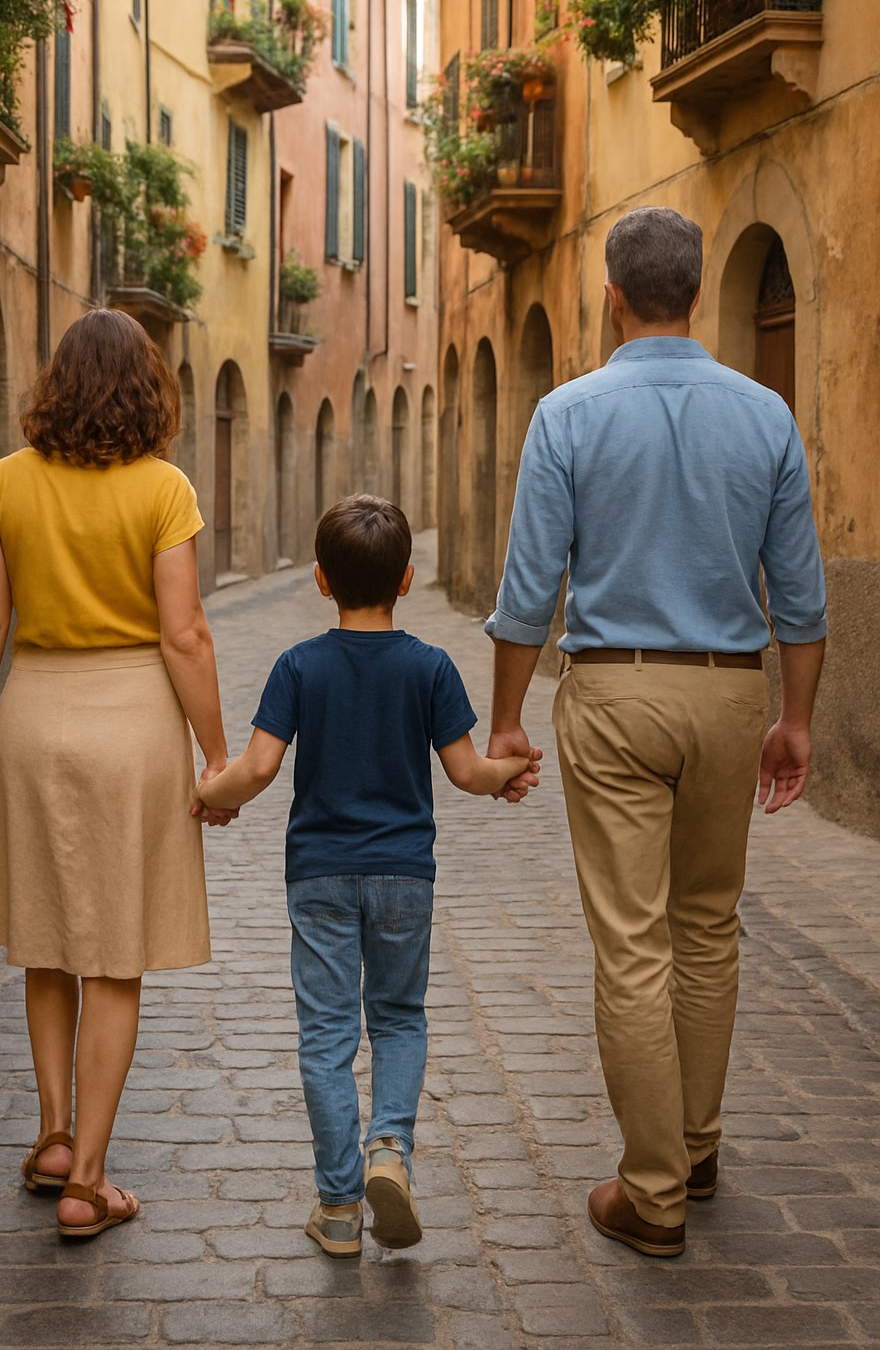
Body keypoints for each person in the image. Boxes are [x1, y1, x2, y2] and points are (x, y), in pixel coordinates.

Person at [485, 207, 827, 1258]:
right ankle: (697, 1141)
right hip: (730, 693)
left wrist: (503, 720)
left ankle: (652, 1193)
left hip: (614, 693)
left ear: (612, 296)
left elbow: (529, 587)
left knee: (632, 943)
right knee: (708, 927)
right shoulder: (765, 413)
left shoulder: (567, 413)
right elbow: (802, 596)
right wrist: (795, 720)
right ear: (693, 292)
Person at [198, 495, 540, 1258]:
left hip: (318, 874)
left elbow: (255, 769)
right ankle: (390, 1146)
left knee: (326, 1034)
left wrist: (205, 793)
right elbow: (466, 772)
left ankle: (340, 1206)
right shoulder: (430, 666)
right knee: (396, 1018)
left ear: (320, 581)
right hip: (402, 877)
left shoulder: (298, 665)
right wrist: (510, 772)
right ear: (409, 578)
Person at [0, 308, 232, 1241]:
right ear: (147, 388)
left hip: (33, 714)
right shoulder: (164, 489)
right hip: (133, 727)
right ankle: (93, 1180)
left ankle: (53, 1137)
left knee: (45, 936)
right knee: (115, 950)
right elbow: (184, 633)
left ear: (54, 386)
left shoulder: (2, 484)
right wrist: (217, 750)